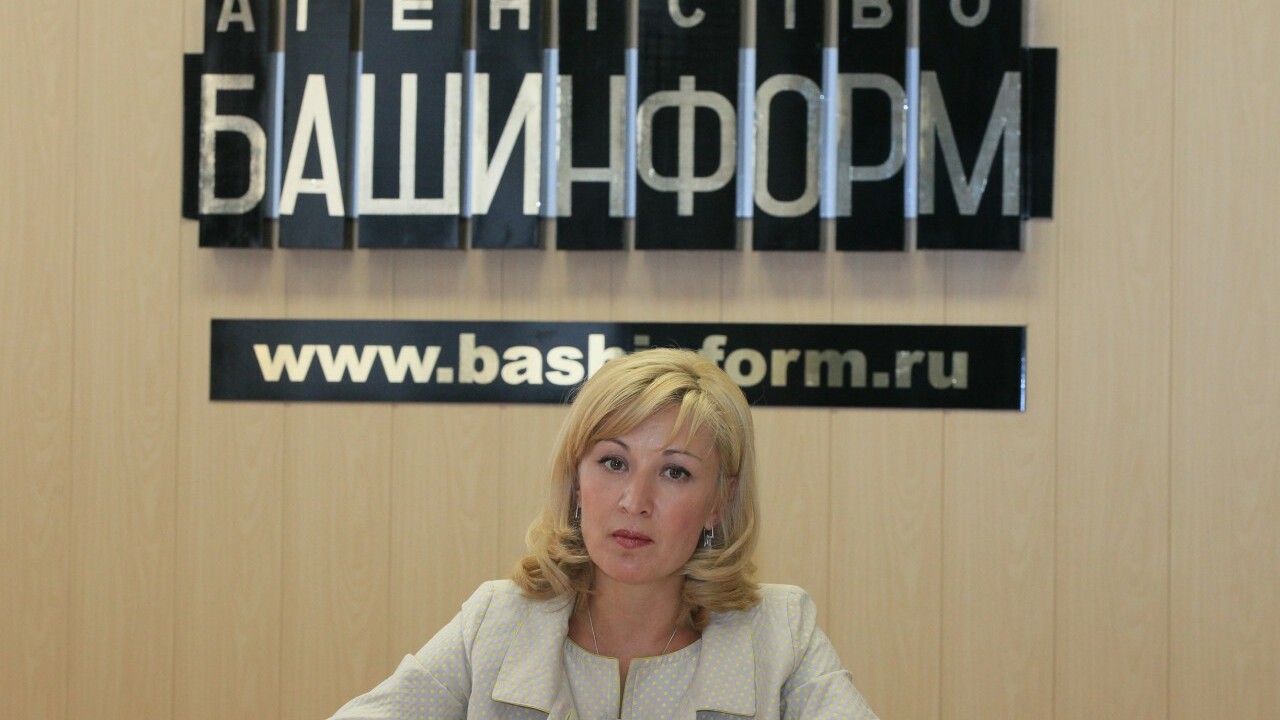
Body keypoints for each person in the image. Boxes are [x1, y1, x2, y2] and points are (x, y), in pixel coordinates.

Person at [329, 348, 878, 719]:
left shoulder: (779, 634)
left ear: (719, 502)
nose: (634, 502)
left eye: (675, 472)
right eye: (613, 463)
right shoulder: (498, 620)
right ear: (575, 481)